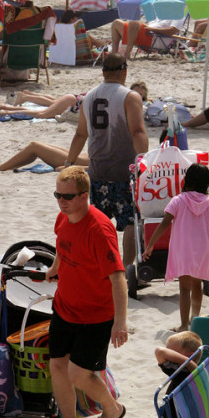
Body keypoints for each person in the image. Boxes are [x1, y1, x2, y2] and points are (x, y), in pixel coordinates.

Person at [45, 166, 128, 418]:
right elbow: (62, 244)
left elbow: (118, 278)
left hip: (96, 315)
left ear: (84, 195)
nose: (61, 200)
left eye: (67, 196)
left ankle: (112, 408)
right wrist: (55, 268)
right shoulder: (63, 218)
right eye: (58, 194)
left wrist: (121, 322)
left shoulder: (100, 230)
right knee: (57, 366)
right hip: (65, 307)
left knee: (78, 374)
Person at [65, 53, 148, 265]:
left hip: (98, 171)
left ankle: (99, 266)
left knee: (99, 224)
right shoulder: (130, 97)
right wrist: (144, 162)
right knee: (130, 222)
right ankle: (128, 270)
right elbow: (137, 131)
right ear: (125, 71)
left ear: (103, 72)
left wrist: (69, 161)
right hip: (124, 171)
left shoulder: (89, 97)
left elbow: (80, 134)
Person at [143, 164, 209, 330]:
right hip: (202, 250)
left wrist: (150, 245)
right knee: (197, 284)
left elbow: (164, 224)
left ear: (187, 180)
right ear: (206, 184)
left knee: (184, 288)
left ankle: (184, 325)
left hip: (182, 250)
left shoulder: (178, 200)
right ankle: (195, 319)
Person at [110, 15, 185, 59]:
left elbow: (172, 30)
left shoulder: (179, 15)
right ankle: (114, 54)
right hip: (146, 34)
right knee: (116, 23)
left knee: (134, 22)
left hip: (155, 39)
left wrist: (152, 29)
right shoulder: (161, 13)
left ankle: (126, 54)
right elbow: (150, 25)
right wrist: (147, 27)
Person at [0, 90, 81, 120]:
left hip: (75, 99)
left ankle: (6, 107)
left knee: (53, 103)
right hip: (75, 103)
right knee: (41, 114)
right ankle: (6, 110)